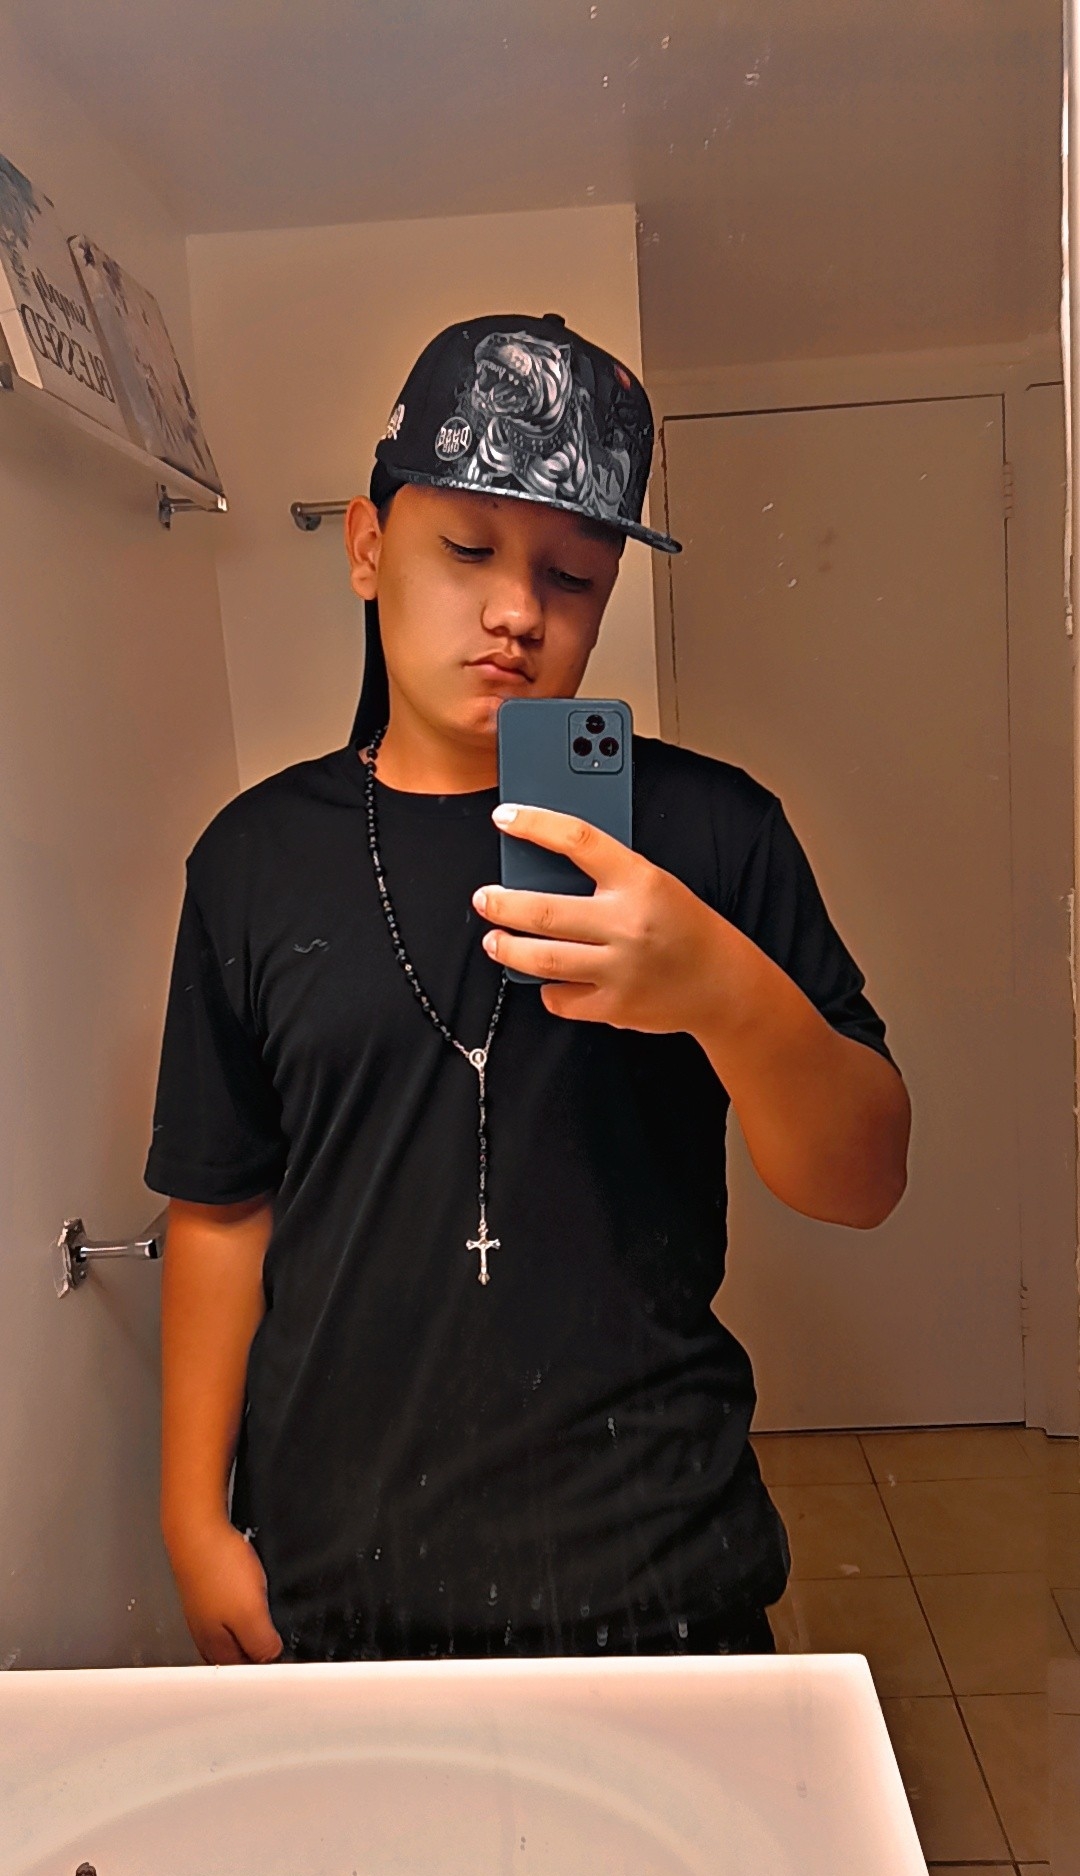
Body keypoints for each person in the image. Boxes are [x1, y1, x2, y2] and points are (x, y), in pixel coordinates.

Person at [146, 312, 910, 1666]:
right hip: (340, 1576)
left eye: (572, 576)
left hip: (656, 1576)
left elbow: (863, 1179)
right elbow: (221, 1203)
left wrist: (718, 987)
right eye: (468, 550)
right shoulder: (254, 862)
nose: (518, 612)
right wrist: (192, 1518)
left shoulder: (713, 832)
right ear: (367, 548)